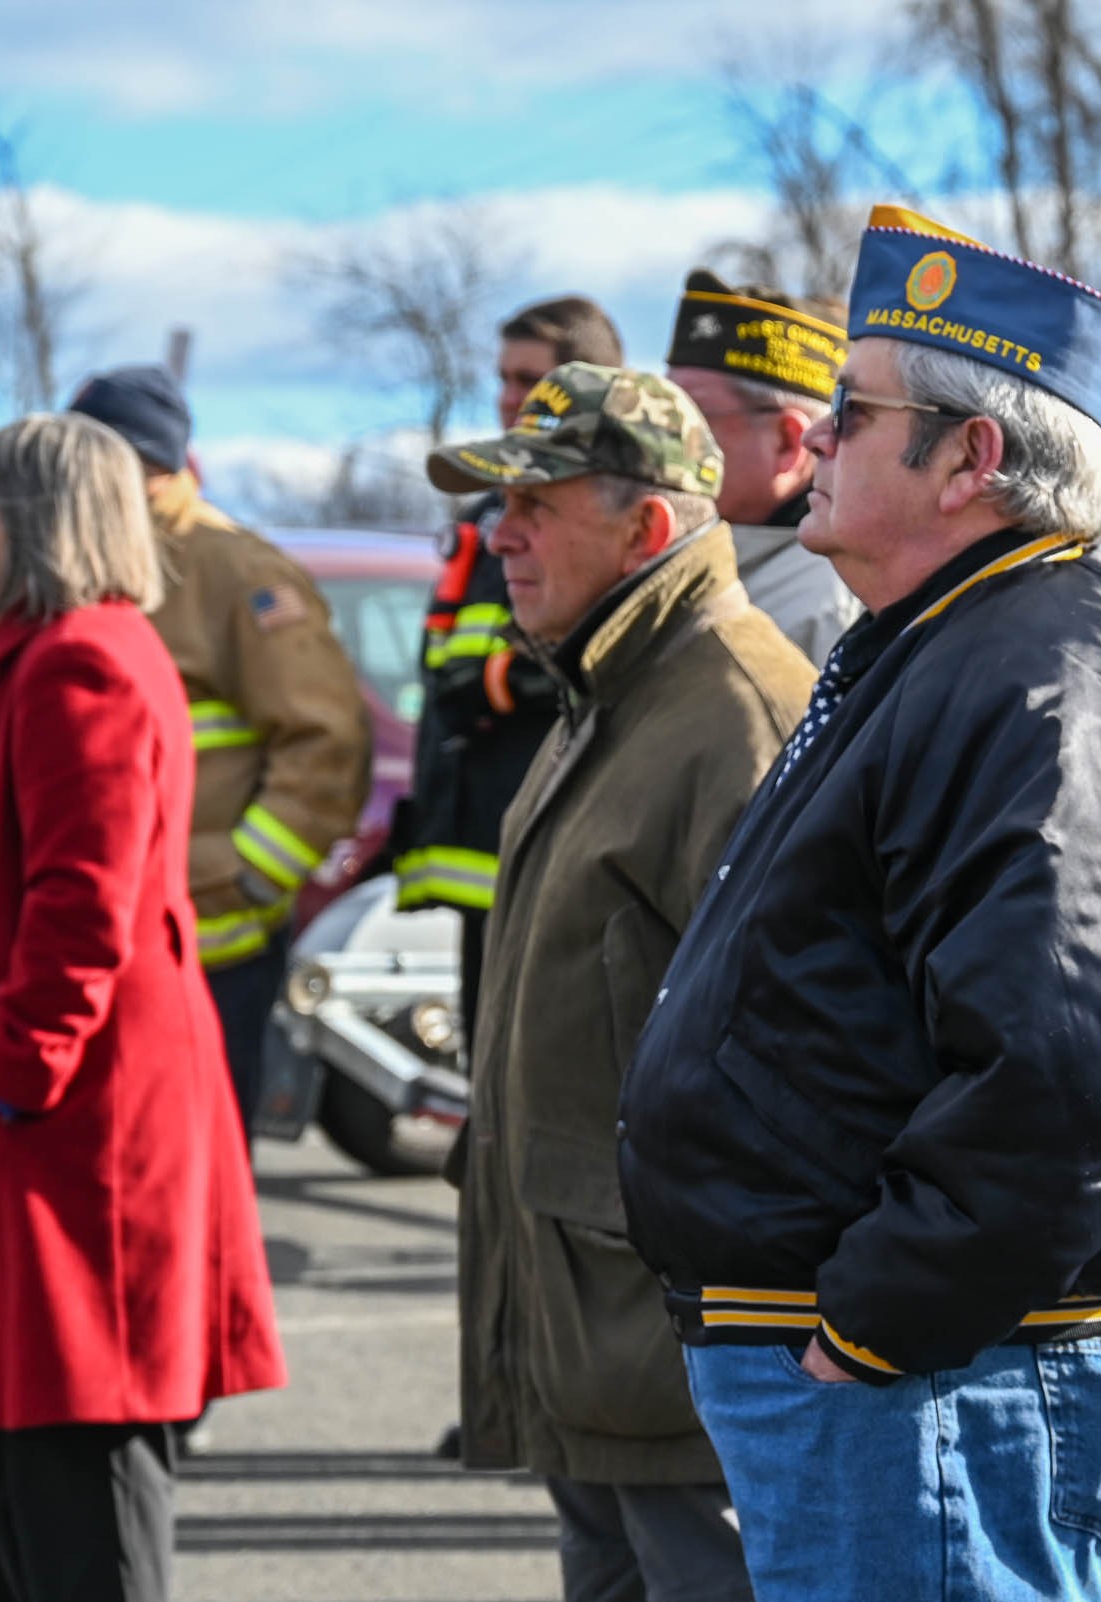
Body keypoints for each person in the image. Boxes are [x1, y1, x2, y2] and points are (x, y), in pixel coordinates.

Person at [617, 205, 1101, 1602]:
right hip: (919, 1386)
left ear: (972, 457)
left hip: (952, 1389)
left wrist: (875, 1321)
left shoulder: (1049, 681)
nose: (818, 441)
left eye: (850, 410)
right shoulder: (947, 646)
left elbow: (1070, 1067)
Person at [0, 413, 285, 1602]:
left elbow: (80, 909)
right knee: (34, 1478)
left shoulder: (78, 663)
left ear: (30, 522)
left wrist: (11, 1075)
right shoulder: (54, 653)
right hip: (52, 1138)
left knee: (80, 1491)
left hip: (72, 1145)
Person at [426, 362, 815, 1602]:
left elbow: (801, 1076)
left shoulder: (738, 712)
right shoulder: (610, 687)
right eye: (502, 505)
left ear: (649, 527)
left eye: (538, 501)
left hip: (676, 1360)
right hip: (594, 1338)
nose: (505, 534)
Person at [68, 364, 371, 1142]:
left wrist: (245, 873)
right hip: (116, 938)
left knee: (192, 1179)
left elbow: (326, 740)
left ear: (146, 466)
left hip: (215, 947)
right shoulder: (94, 566)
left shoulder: (236, 570)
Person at [393, 296, 624, 1054]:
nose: (507, 398)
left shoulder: (601, 522)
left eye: (528, 379)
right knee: (483, 1081)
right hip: (482, 855)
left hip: (558, 863)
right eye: (502, 378)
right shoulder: (485, 517)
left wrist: (500, 687)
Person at [664, 268, 860, 663]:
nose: (661, 440)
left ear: (787, 442)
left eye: (689, 418)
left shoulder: (820, 614)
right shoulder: (688, 554)